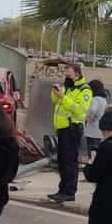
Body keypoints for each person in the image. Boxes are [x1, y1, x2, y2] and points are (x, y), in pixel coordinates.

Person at [46, 62, 93, 204]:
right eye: (65, 73)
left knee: (69, 161)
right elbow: (56, 101)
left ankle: (69, 191)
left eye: (69, 73)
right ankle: (62, 189)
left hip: (72, 129)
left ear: (77, 74)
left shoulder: (85, 90)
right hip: (62, 128)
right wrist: (56, 92)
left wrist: (63, 97)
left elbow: (80, 109)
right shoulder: (68, 87)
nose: (66, 76)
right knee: (62, 160)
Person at [82, 79, 109, 163]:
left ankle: (92, 165)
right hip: (101, 127)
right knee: (97, 149)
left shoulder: (95, 99)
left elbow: (92, 110)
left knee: (92, 148)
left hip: (93, 127)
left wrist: (88, 117)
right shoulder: (104, 100)